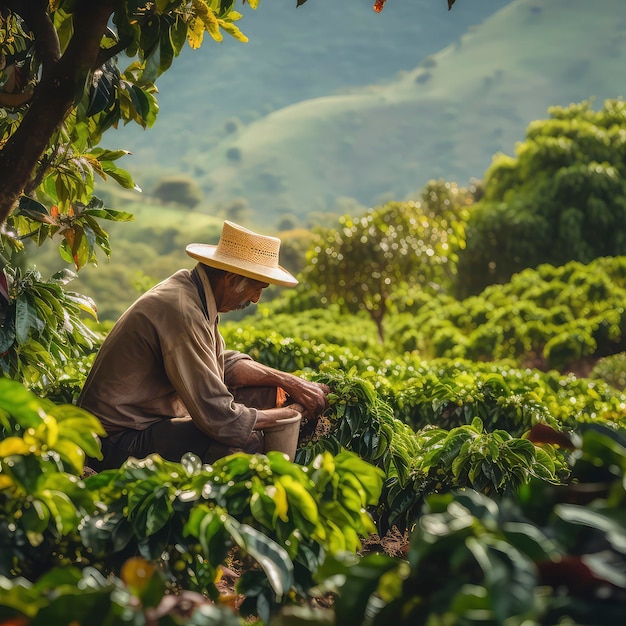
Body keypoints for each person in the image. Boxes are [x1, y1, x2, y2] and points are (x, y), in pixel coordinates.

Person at [78, 221, 330, 470]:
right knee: (245, 441)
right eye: (256, 288)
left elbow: (224, 365)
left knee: (267, 394)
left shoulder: (196, 294)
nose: (256, 299)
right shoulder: (181, 309)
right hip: (116, 441)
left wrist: (290, 382)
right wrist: (289, 415)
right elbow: (221, 418)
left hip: (148, 423)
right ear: (231, 279)